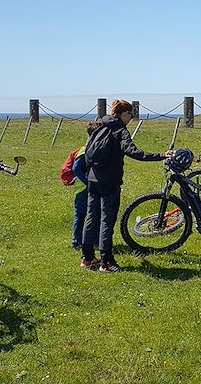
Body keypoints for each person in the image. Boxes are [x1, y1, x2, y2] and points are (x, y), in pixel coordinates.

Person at [80, 100, 174, 273]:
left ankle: (87, 258)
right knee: (107, 220)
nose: (131, 118)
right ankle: (106, 262)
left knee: (91, 217)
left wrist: (90, 174)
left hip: (93, 179)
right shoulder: (120, 131)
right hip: (109, 182)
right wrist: (161, 156)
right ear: (123, 114)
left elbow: (88, 153)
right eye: (130, 114)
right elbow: (134, 152)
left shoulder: (99, 126)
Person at [70, 121, 103, 250]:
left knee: (95, 214)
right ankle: (76, 242)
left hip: (91, 188)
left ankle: (94, 241)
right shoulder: (85, 151)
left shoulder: (92, 148)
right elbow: (76, 168)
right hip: (83, 189)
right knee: (81, 214)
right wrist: (88, 182)